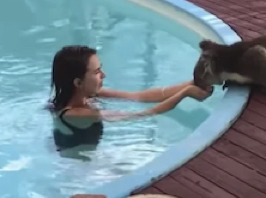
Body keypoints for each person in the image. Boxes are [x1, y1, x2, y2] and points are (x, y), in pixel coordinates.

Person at [48, 45, 211, 153]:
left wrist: (192, 83)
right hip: (81, 166)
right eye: (97, 72)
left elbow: (138, 97)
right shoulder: (74, 114)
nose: (103, 75)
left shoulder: (90, 95)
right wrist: (185, 93)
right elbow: (144, 114)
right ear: (78, 83)